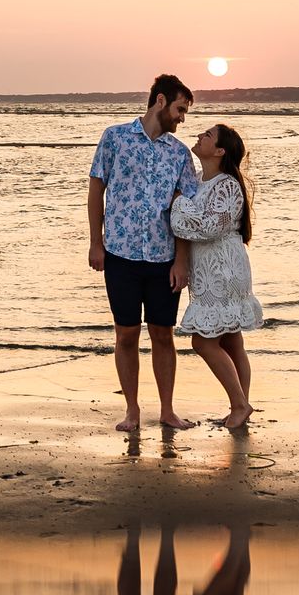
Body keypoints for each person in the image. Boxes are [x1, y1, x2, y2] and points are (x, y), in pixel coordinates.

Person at [87, 74, 200, 433]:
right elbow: (95, 190)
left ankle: (167, 411)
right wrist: (95, 242)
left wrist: (182, 261)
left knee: (164, 335)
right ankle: (132, 411)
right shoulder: (115, 138)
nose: (183, 118)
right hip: (119, 255)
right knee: (126, 334)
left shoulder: (180, 154)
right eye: (181, 109)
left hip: (164, 259)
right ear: (161, 101)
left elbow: (186, 212)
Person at [171, 123, 262, 431]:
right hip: (210, 269)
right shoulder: (199, 181)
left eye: (207, 135)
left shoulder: (227, 185)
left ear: (220, 151)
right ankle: (240, 408)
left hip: (223, 270)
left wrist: (178, 204)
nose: (200, 136)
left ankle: (240, 404)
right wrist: (184, 210)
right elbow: (192, 225)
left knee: (203, 341)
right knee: (232, 341)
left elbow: (209, 227)